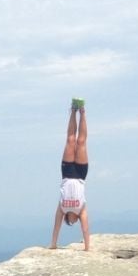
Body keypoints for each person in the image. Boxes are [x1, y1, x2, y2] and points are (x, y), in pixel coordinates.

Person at [49, 98, 90, 251]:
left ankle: (73, 110)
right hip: (80, 175)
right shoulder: (82, 210)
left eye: (71, 223)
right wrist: (87, 248)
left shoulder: (62, 209)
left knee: (70, 140)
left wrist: (53, 244)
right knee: (81, 142)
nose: (73, 222)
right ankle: (82, 112)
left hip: (67, 174)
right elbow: (85, 229)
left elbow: (56, 225)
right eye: (74, 223)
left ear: (68, 219)